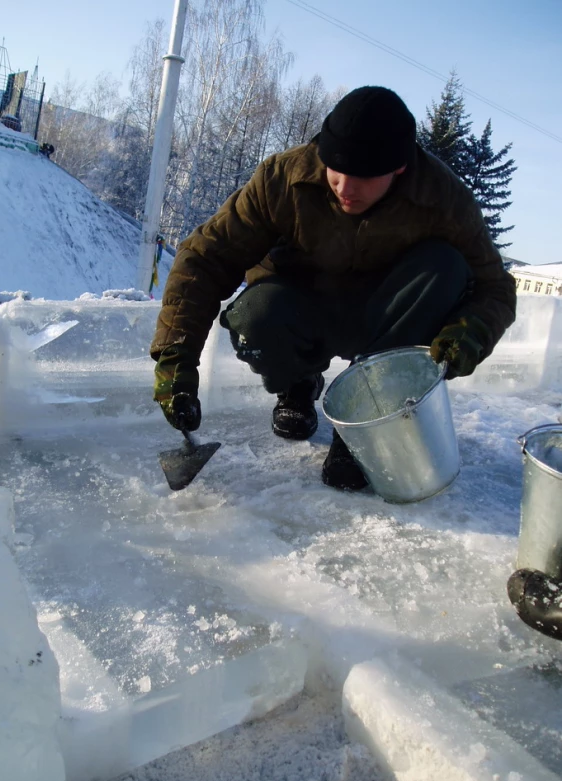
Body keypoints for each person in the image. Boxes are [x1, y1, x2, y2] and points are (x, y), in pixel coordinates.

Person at [151, 86, 517, 490]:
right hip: (303, 310)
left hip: (388, 317)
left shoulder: (442, 198)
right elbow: (204, 258)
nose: (344, 188)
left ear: (398, 170)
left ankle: (369, 419)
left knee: (446, 269)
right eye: (335, 171)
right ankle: (298, 385)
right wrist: (176, 359)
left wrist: (472, 331)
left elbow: (494, 286)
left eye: (361, 178)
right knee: (257, 316)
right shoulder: (282, 178)